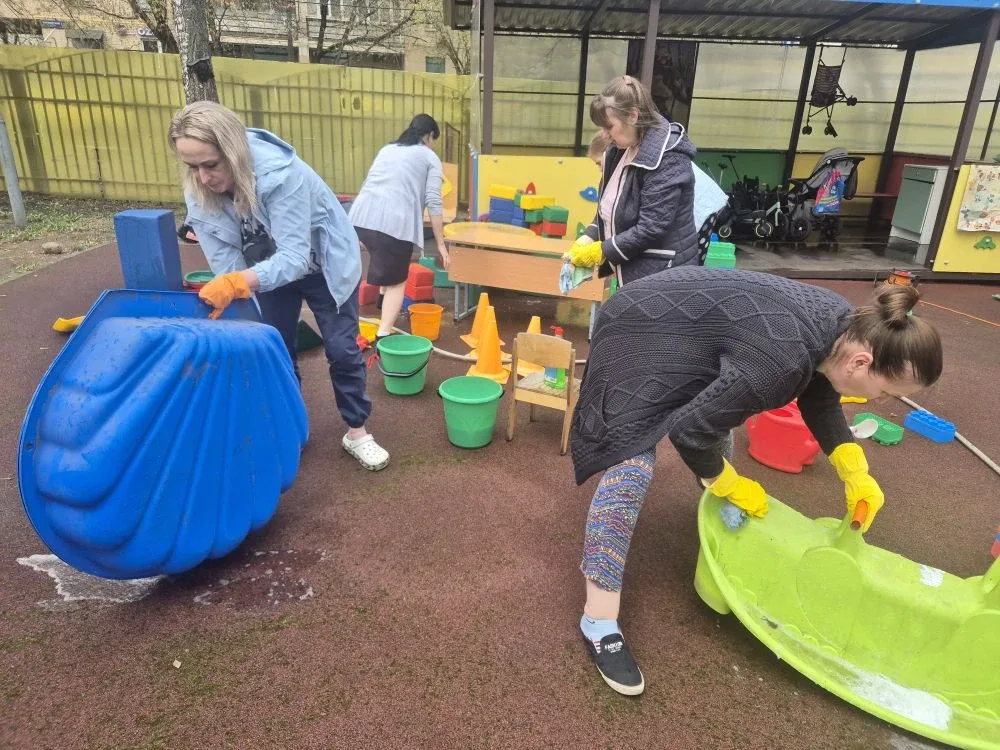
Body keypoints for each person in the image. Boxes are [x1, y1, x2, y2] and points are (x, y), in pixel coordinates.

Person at [571, 268, 943, 696]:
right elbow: (690, 432)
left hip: (682, 322)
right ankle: (599, 620)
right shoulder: (780, 362)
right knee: (631, 463)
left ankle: (717, 515)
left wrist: (853, 469)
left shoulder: (847, 327)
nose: (882, 402)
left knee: (719, 418)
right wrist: (726, 482)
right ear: (861, 362)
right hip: (635, 327)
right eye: (888, 393)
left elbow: (819, 394)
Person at [168, 101, 390, 472]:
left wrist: (238, 281)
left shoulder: (281, 174)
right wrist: (235, 289)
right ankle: (292, 424)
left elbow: (295, 258)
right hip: (264, 271)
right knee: (275, 350)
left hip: (323, 264)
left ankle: (357, 430)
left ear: (233, 152)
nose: (203, 178)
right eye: (193, 167)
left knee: (341, 349)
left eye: (211, 165)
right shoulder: (200, 191)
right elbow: (227, 265)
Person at [565, 75, 700, 286]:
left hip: (664, 276)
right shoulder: (619, 150)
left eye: (609, 127)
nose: (605, 135)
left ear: (632, 116)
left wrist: (602, 251)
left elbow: (652, 226)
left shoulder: (668, 157)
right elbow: (611, 207)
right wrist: (589, 236)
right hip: (635, 272)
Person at [348, 114, 449, 340]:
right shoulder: (429, 157)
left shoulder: (387, 149)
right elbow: (434, 200)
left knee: (383, 257)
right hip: (394, 225)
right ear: (429, 136)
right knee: (397, 281)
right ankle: (383, 335)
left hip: (359, 219)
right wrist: (441, 244)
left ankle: (381, 301)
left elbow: (369, 181)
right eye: (433, 139)